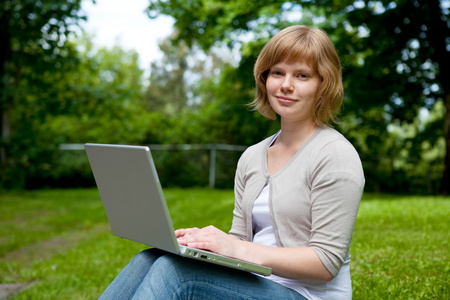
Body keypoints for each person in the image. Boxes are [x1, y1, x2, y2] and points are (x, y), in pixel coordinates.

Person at [99, 25, 364, 300]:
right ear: (265, 79)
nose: (286, 84)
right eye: (277, 72)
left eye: (302, 75)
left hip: (306, 295)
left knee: (175, 273)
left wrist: (235, 249)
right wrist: (202, 244)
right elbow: (240, 238)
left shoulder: (335, 155)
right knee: (150, 258)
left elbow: (325, 262)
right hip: (256, 284)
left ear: (323, 85)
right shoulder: (252, 156)